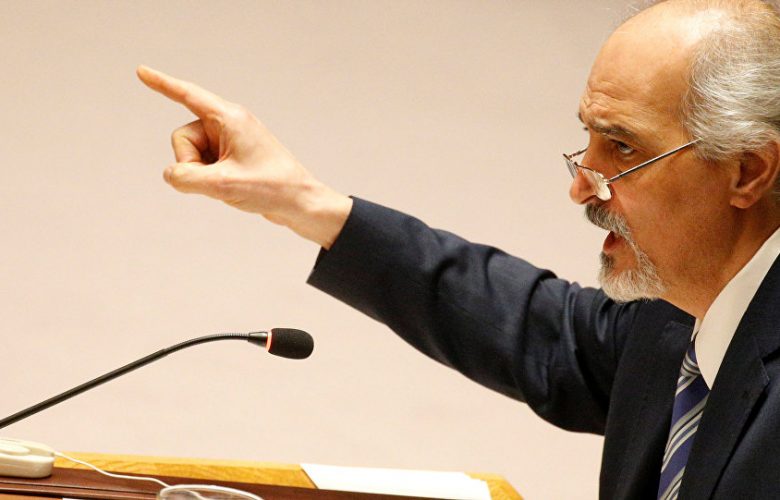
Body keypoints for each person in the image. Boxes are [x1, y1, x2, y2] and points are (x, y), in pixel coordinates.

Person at [137, 0, 780, 498]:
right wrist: (302, 202)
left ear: (747, 171)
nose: (581, 185)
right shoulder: (672, 323)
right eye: (586, 139)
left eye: (623, 148)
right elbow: (536, 329)